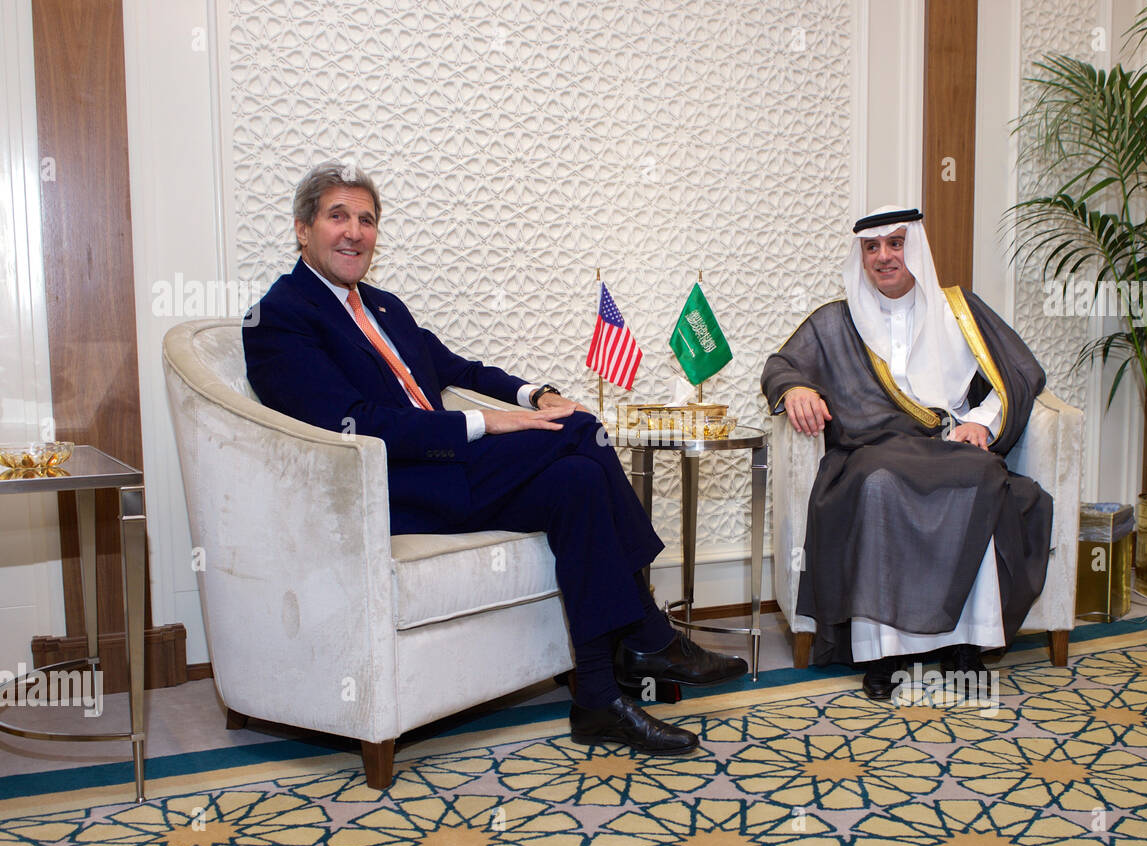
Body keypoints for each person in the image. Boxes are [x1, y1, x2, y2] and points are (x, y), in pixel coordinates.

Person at [243, 161, 746, 752]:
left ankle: (597, 697)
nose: (354, 232)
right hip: (393, 485)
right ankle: (651, 635)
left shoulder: (382, 307)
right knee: (582, 432)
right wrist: (486, 423)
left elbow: (459, 368)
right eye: (338, 217)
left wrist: (535, 393)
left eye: (367, 220)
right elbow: (349, 422)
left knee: (580, 479)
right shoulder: (280, 316)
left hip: (449, 472)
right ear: (303, 229)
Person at [761, 206, 1053, 699]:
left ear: (913, 247)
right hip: (868, 451)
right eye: (872, 248)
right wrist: (794, 390)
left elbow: (1022, 372)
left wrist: (979, 423)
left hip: (943, 446)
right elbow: (781, 364)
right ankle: (884, 654)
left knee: (981, 478)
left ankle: (969, 646)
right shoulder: (837, 321)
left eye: (895, 244)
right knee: (879, 484)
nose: (883, 256)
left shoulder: (959, 310)